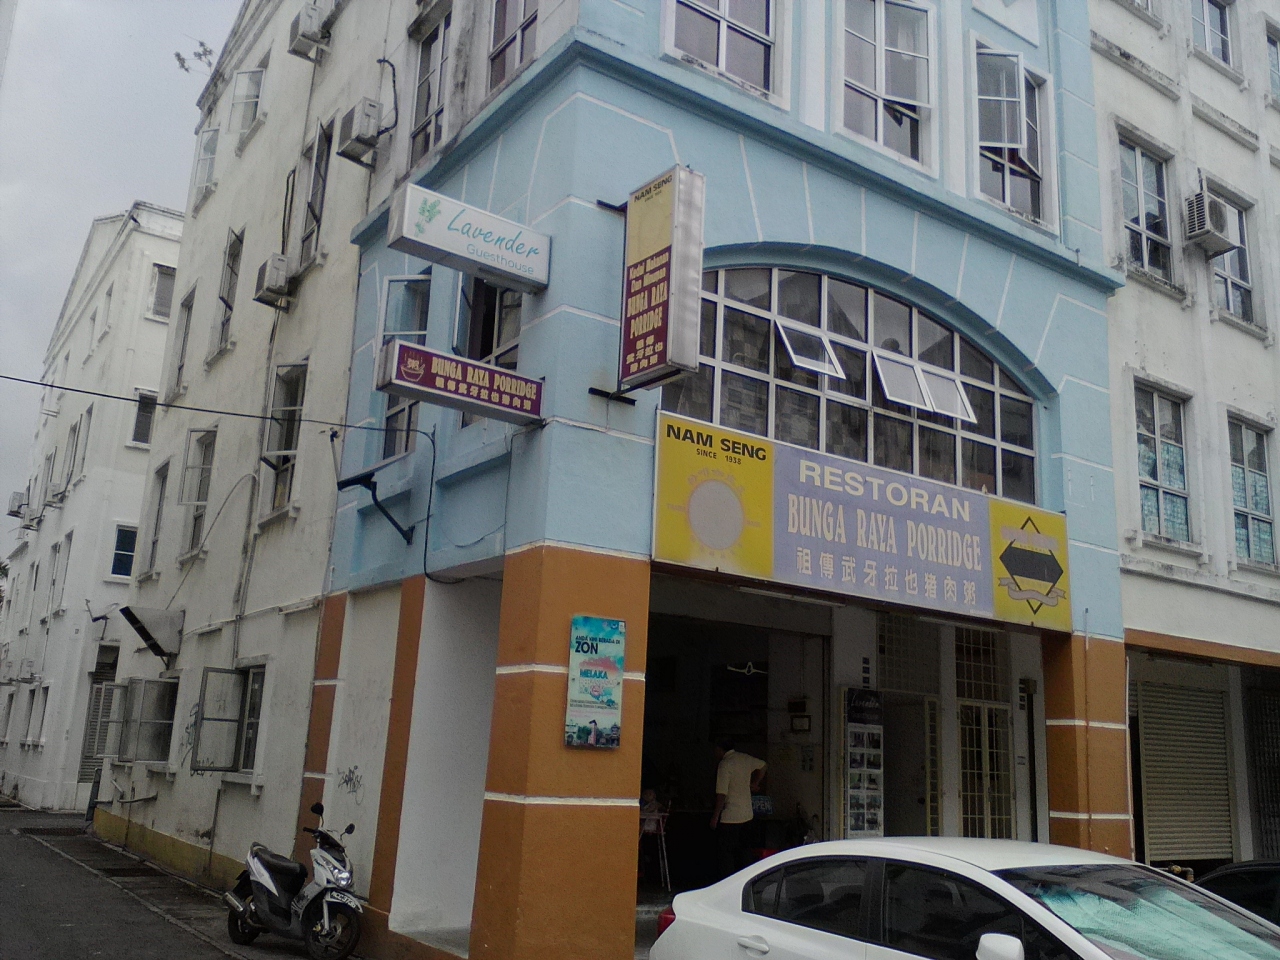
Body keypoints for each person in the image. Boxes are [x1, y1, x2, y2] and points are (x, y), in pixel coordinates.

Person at [710, 739, 766, 879]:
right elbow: (763, 765)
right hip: (747, 814)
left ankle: (728, 882)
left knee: (726, 854)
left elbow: (722, 794)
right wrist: (755, 783)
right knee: (745, 851)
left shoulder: (725, 764)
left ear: (720, 749)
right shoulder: (744, 758)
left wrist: (715, 816)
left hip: (730, 816)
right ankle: (748, 880)